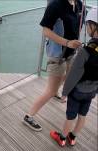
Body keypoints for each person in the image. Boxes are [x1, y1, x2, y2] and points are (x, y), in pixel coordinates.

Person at [23, 0, 84, 131]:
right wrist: (67, 42)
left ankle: (56, 90)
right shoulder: (55, 5)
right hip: (58, 55)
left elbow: (79, 25)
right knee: (50, 90)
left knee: (69, 75)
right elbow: (45, 31)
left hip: (71, 52)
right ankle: (29, 116)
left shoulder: (79, 4)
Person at [50, 8, 98, 147]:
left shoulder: (84, 51)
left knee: (70, 116)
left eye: (88, 24)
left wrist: (64, 93)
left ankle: (62, 138)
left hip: (77, 92)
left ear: (94, 26)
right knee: (83, 115)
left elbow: (73, 75)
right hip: (92, 91)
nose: (87, 27)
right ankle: (73, 137)